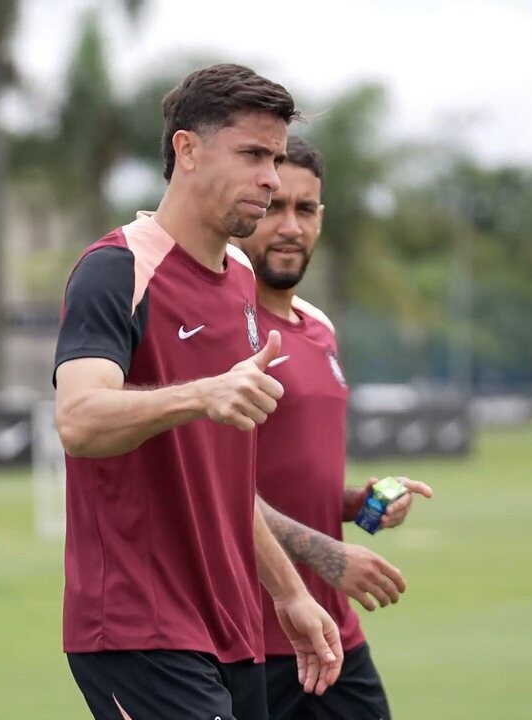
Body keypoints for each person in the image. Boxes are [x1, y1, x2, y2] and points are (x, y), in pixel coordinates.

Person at [52, 65, 343, 720]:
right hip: (137, 627)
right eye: (252, 155)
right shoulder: (116, 269)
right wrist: (200, 395)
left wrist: (290, 594)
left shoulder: (240, 276)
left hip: (231, 628)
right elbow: (77, 419)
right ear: (186, 150)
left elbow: (224, 482)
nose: (270, 178)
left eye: (274, 157)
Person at [231, 136, 434, 720]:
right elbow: (213, 488)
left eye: (307, 209)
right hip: (247, 639)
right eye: (274, 207)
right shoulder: (222, 329)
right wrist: (327, 556)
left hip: (333, 637)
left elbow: (289, 473)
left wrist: (355, 503)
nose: (290, 225)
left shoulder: (318, 328)